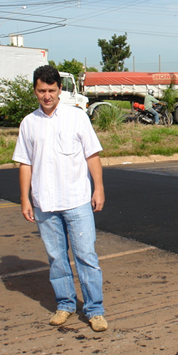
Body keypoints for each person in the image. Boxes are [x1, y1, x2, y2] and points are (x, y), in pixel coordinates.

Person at [12, 65, 108, 332]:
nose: (46, 96)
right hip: (45, 203)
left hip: (77, 200)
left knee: (86, 255)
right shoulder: (29, 123)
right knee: (56, 257)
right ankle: (65, 304)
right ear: (35, 90)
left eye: (51, 90)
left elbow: (92, 156)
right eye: (41, 90)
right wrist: (25, 198)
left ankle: (94, 309)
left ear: (60, 90)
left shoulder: (77, 118)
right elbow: (25, 163)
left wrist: (98, 188)